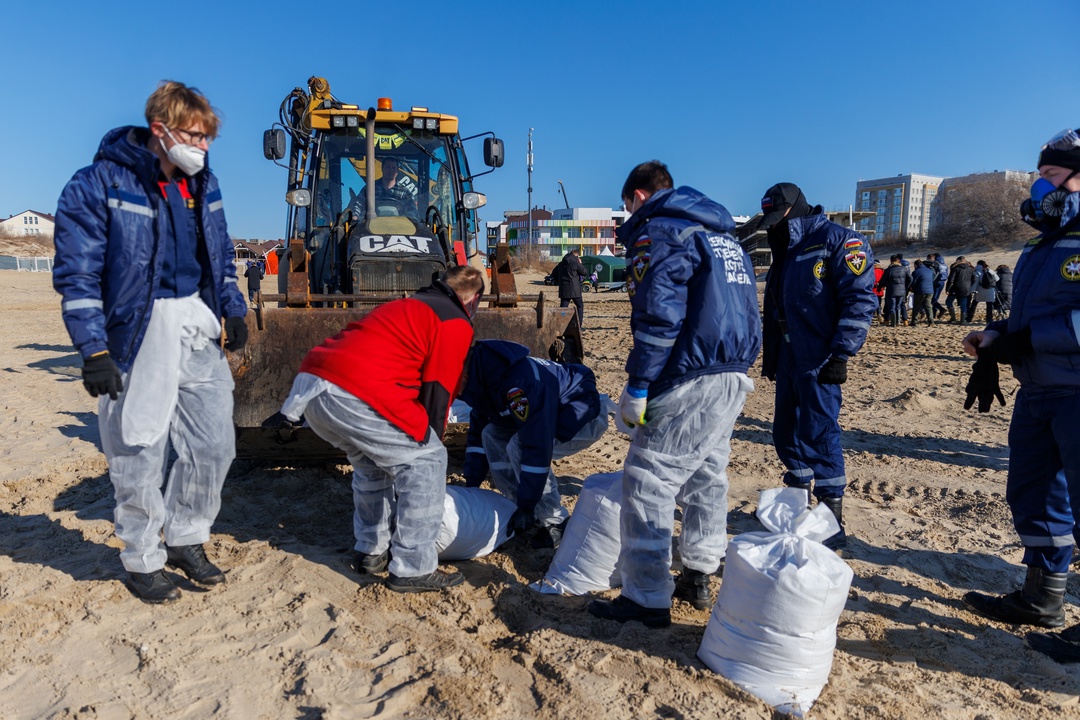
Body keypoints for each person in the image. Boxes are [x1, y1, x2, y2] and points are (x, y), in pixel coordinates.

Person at [52, 81, 247, 604]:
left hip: (194, 324)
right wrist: (93, 349)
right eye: (194, 135)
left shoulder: (203, 184)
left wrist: (232, 306)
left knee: (214, 444)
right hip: (136, 333)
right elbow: (79, 274)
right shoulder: (99, 184)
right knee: (138, 448)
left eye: (208, 139)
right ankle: (141, 557)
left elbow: (222, 252)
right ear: (160, 130)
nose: (202, 148)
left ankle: (186, 536)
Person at [587, 161, 760, 628]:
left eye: (627, 207)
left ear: (639, 197)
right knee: (708, 472)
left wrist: (639, 385)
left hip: (688, 372)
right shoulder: (723, 238)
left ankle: (645, 596)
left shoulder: (662, 233)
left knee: (648, 478)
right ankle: (699, 574)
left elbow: (660, 317)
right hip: (733, 372)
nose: (628, 217)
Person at [271, 266, 484, 593]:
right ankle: (414, 567)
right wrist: (430, 439)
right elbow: (439, 387)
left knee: (372, 466)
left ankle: (371, 551)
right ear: (472, 299)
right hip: (356, 390)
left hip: (312, 387)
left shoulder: (406, 306)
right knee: (427, 461)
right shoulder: (454, 320)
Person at [959, 129, 1080, 664]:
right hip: (1040, 390)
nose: (1041, 185)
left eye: (1052, 175)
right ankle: (1043, 599)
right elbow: (1035, 313)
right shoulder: (1043, 241)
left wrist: (1030, 338)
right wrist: (1000, 335)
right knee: (1035, 494)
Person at [759, 182, 877, 551]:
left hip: (820, 356)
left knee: (819, 431)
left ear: (797, 207)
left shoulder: (838, 240)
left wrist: (842, 353)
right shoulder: (786, 249)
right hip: (790, 355)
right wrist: (774, 355)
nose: (774, 224)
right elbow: (776, 306)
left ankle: (831, 518)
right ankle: (798, 504)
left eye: (779, 215)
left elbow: (859, 298)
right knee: (786, 431)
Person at [459, 340, 608, 549]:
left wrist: (528, 505)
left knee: (519, 447)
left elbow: (537, 447)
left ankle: (555, 522)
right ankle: (515, 504)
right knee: (491, 434)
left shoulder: (519, 384)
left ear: (463, 375)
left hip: (581, 410)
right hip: (546, 414)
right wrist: (471, 485)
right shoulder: (481, 380)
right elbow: (477, 435)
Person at [554, 248, 588, 328]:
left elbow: (554, 274)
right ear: (576, 256)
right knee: (580, 306)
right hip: (575, 290)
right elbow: (584, 272)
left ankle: (561, 325)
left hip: (564, 289)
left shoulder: (561, 264)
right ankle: (579, 326)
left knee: (563, 308)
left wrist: (560, 282)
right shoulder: (575, 263)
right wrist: (580, 264)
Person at [877, 255, 911, 327]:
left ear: (891, 261)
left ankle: (893, 323)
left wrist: (880, 287)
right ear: (898, 261)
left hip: (891, 290)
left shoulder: (889, 270)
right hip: (902, 291)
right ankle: (898, 322)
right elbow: (910, 279)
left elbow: (883, 281)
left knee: (892, 306)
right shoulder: (904, 269)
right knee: (898, 306)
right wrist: (905, 286)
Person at [945, 256, 976, 323]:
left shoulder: (955, 268)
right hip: (966, 288)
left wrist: (947, 289)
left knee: (948, 302)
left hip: (955, 288)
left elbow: (951, 280)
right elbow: (974, 279)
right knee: (963, 304)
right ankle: (962, 320)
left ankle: (953, 318)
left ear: (958, 260)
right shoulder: (971, 269)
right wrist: (969, 285)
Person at [910, 259, 936, 326]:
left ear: (916, 265)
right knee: (928, 306)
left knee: (916, 306)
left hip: (920, 290)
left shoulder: (916, 272)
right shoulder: (929, 271)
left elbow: (913, 282)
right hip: (930, 290)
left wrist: (912, 289)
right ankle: (931, 321)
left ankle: (914, 321)